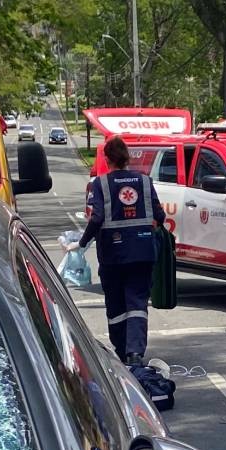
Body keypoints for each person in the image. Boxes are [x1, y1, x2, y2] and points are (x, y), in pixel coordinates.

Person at [68, 136, 166, 366]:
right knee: (137, 303)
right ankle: (135, 353)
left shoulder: (100, 184)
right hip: (143, 253)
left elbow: (97, 218)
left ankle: (123, 351)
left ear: (106, 158)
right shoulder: (144, 181)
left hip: (113, 255)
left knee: (116, 305)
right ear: (127, 157)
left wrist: (81, 244)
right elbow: (160, 216)